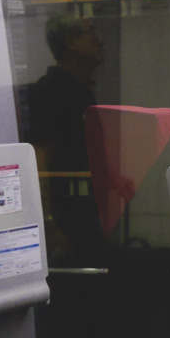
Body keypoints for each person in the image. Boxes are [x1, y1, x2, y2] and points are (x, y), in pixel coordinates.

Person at [28, 13, 106, 263]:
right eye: (91, 32)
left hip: (84, 215)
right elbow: (39, 160)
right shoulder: (51, 90)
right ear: (71, 42)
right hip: (64, 220)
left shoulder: (81, 91)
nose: (100, 40)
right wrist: (49, 225)